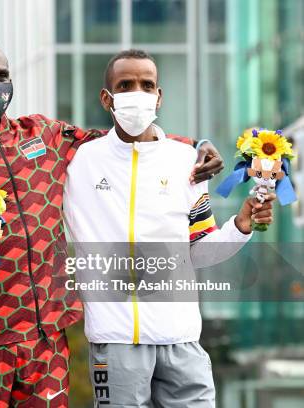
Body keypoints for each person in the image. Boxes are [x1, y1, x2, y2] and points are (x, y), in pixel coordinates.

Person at [0, 42, 223, 407]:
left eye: (1, 76)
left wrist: (195, 145)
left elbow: (124, 141)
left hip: (47, 347)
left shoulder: (45, 136)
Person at [63, 49, 275, 407]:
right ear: (106, 98)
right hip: (116, 341)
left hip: (181, 340)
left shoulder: (187, 163)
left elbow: (199, 250)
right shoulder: (79, 161)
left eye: (147, 85)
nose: (137, 93)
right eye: (125, 85)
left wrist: (240, 226)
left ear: (159, 96)